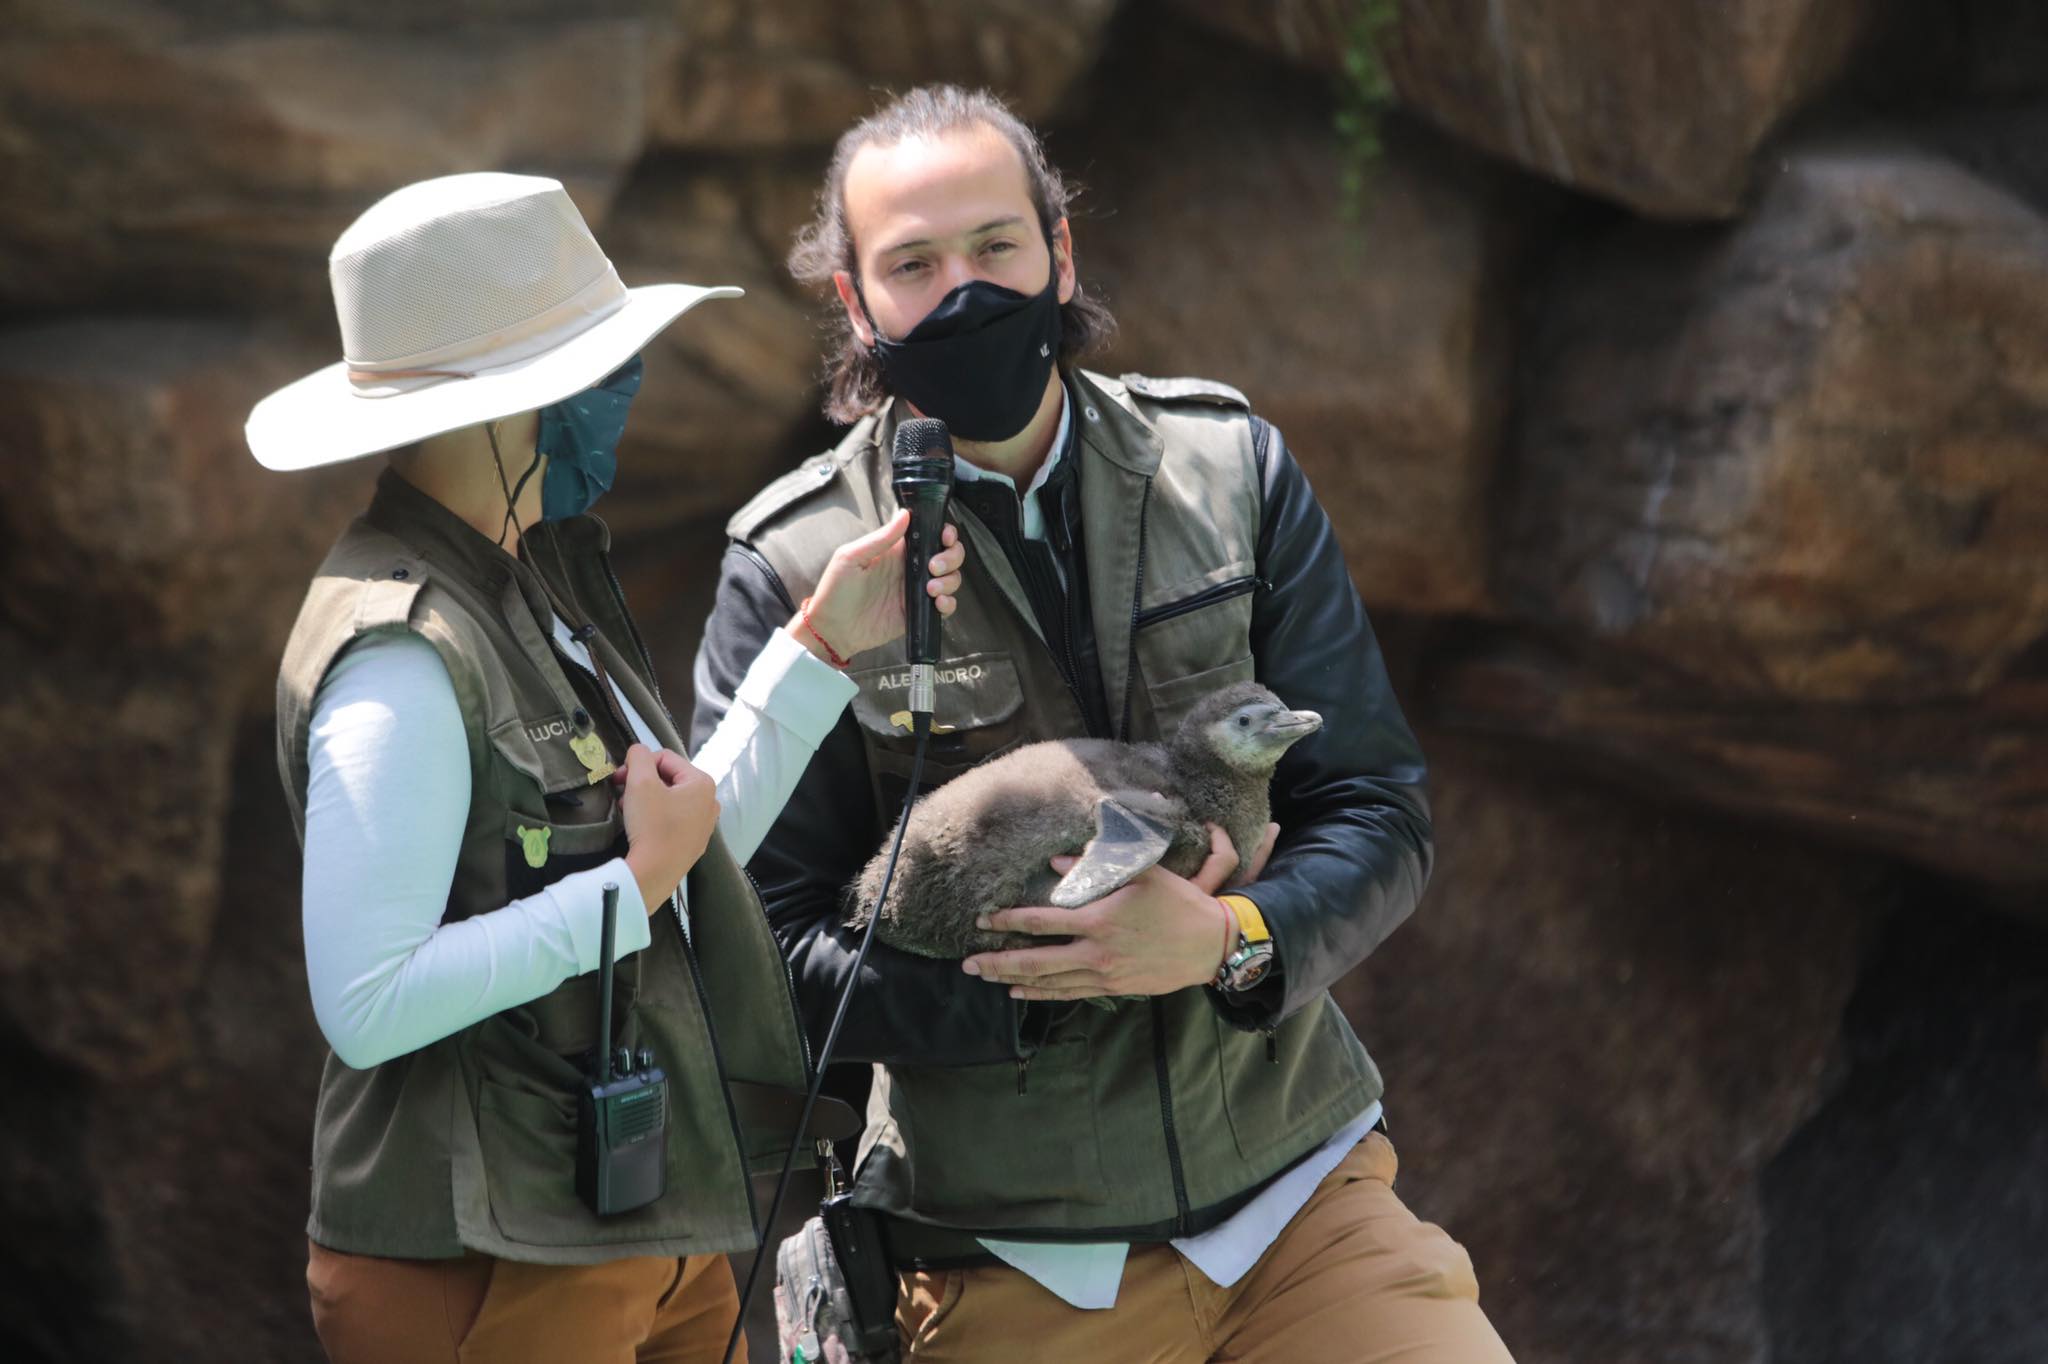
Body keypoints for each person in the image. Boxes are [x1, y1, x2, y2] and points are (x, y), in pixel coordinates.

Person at [691, 87, 1515, 1362]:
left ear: (1058, 251)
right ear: (854, 304)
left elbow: (1376, 810)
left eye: (995, 247)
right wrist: (1030, 990)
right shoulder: (791, 564)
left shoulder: (1228, 468)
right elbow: (754, 963)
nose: (963, 291)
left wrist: (1228, 942)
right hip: (1004, 1254)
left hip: (1302, 1204)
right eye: (913, 264)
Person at [248, 171, 964, 1364]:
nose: (619, 391)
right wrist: (623, 891)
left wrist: (823, 645)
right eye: (590, 366)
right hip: (482, 1254)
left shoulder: (539, 576)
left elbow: (676, 843)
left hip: (631, 1215)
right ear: (503, 406)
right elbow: (367, 1002)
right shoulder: (401, 656)